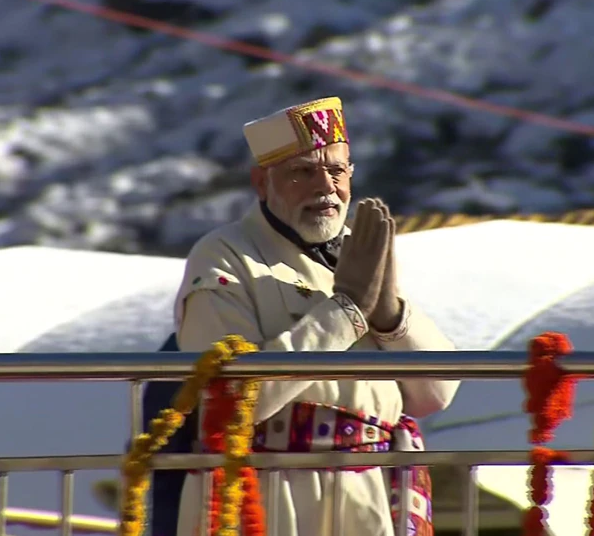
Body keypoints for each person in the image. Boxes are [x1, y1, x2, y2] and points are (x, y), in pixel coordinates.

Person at [173, 97, 459, 536]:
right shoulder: (225, 257)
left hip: (370, 492)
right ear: (262, 182)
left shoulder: (355, 251)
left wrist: (388, 314)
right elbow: (229, 404)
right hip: (273, 494)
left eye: (337, 170)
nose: (325, 186)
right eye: (303, 172)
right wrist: (344, 312)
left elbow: (434, 396)